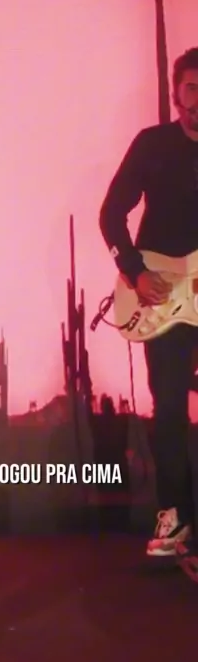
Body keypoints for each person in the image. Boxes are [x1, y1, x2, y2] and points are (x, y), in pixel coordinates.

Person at [99, 46, 198, 560]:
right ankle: (175, 516)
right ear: (177, 93)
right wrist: (135, 271)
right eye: (192, 88)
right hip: (162, 297)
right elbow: (111, 213)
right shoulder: (153, 145)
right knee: (170, 409)